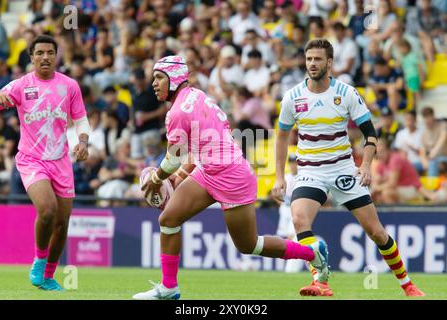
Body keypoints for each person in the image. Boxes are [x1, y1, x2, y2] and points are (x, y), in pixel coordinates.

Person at [132, 55, 329, 300]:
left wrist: (157, 178)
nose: (154, 83)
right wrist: (180, 175)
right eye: (153, 78)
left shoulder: (177, 112)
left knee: (248, 245)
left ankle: (312, 253)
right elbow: (196, 148)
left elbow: (173, 158)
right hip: (210, 170)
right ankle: (169, 288)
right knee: (169, 219)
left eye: (159, 77)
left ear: (175, 78)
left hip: (232, 177)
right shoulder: (198, 96)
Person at [272, 39, 424, 297]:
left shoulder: (346, 93)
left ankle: (407, 284)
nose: (312, 64)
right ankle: (321, 281)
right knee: (299, 220)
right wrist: (279, 177)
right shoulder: (292, 97)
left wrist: (365, 165)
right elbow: (281, 137)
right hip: (310, 171)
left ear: (329, 63)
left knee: (376, 232)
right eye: (309, 59)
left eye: (318, 59)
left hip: (343, 169)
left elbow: (370, 134)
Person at [0, 35, 90, 291]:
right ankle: (39, 261)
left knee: (62, 223)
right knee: (47, 210)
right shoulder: (20, 86)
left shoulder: (69, 86)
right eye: (40, 53)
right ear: (32, 57)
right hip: (31, 159)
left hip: (60, 161)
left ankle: (48, 276)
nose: (45, 57)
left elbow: (81, 118)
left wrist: (83, 141)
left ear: (56, 56)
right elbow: (0, 98)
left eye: (50, 52)